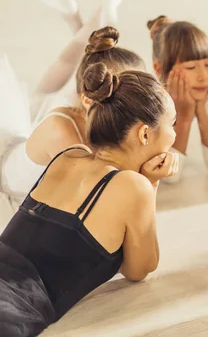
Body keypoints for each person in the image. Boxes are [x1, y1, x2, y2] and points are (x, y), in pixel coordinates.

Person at [0, 62, 178, 336]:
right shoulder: (133, 187)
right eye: (172, 124)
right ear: (144, 133)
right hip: (11, 306)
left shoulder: (69, 155)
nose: (174, 136)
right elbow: (140, 268)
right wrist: (151, 182)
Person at [0, 27, 143, 229]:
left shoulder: (108, 121)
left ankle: (83, 22)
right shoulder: (62, 132)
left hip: (53, 186)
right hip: (11, 187)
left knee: (46, 90)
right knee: (45, 91)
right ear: (87, 100)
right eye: (126, 100)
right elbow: (91, 199)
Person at [147, 16, 208, 180]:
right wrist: (184, 116)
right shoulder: (151, 102)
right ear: (159, 70)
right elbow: (170, 178)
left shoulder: (204, 94)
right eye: (191, 67)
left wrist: (201, 107)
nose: (203, 76)